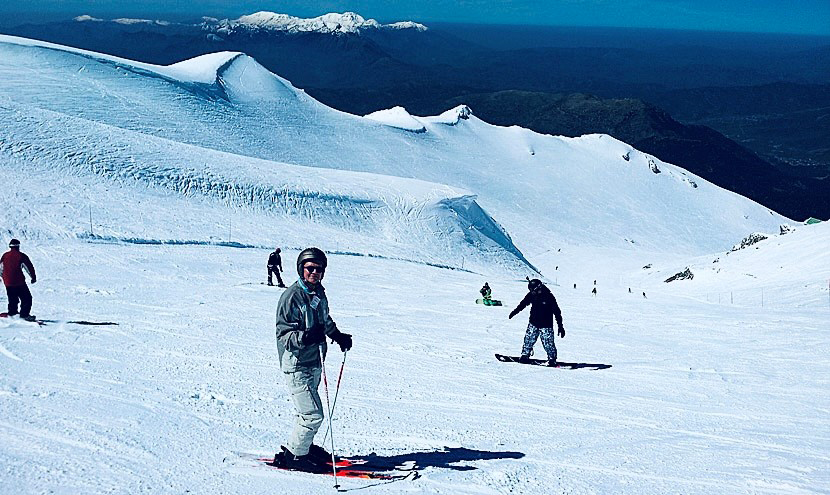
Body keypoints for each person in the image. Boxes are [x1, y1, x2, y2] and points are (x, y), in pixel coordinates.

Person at [274, 247, 353, 473]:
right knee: (312, 414)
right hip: (297, 364)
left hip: (314, 363)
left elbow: (323, 319)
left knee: (307, 411)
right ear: (301, 269)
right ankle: (295, 457)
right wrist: (306, 337)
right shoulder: (291, 297)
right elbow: (284, 334)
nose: (315, 273)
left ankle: (302, 447)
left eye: (319, 269)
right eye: (310, 268)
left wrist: (336, 335)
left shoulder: (318, 293)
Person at [508, 278, 565, 367]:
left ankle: (552, 358)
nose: (531, 292)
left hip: (546, 325)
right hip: (533, 323)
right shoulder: (531, 295)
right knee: (528, 340)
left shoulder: (548, 296)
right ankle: (525, 355)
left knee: (548, 343)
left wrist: (560, 326)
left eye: (532, 290)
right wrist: (514, 312)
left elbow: (557, 312)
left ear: (538, 288)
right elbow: (523, 304)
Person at [1, 239, 37, 321]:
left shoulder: (4, 255)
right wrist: (33, 277)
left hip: (8, 282)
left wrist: (2, 277)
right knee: (27, 298)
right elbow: (29, 267)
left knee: (12, 299)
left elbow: (1, 268)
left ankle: (12, 313)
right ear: (18, 246)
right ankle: (24, 315)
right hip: (19, 282)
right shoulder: (21, 256)